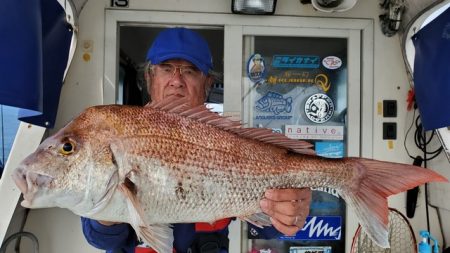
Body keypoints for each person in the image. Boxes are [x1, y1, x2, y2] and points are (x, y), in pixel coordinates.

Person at [81, 27, 312, 253]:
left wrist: (288, 210)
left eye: (190, 70)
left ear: (208, 84)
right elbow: (103, 240)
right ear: (149, 77)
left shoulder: (227, 142)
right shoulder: (121, 136)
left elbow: (267, 229)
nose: (177, 80)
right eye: (166, 68)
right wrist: (107, 215)